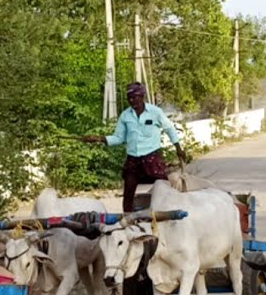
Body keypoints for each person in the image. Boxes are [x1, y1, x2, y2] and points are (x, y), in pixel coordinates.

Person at [81, 82, 189, 212]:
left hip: (152, 159)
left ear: (142, 96)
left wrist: (178, 147)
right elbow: (119, 138)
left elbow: (169, 129)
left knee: (163, 188)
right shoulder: (125, 116)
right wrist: (99, 139)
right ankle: (128, 218)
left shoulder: (155, 112)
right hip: (133, 160)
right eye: (129, 98)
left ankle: (170, 210)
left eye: (135, 97)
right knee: (128, 192)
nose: (132, 100)